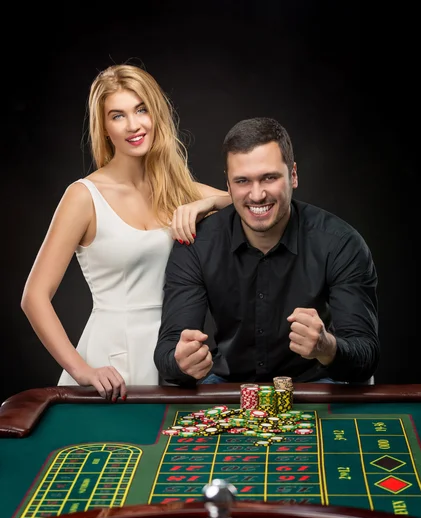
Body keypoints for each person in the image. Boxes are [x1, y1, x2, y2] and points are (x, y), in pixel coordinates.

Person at [21, 64, 231, 401]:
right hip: (110, 363)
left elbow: (248, 202)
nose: (134, 125)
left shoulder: (177, 189)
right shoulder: (83, 196)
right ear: (104, 127)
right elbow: (34, 297)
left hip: (175, 358)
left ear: (156, 114)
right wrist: (82, 370)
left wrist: (203, 205)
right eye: (118, 116)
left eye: (141, 109)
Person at [154, 117, 380, 386]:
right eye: (243, 181)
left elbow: (366, 353)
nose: (257, 195)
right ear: (228, 185)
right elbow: (167, 350)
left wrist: (326, 348)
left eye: (269, 178)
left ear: (293, 175)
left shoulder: (340, 243)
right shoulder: (197, 245)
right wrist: (180, 362)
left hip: (315, 384)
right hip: (227, 385)